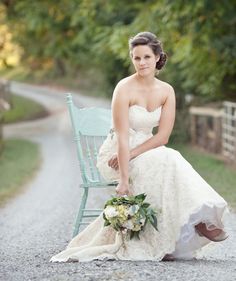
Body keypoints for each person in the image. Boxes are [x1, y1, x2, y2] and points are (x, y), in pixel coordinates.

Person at [50, 31, 231, 263]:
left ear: (157, 57)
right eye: (136, 58)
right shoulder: (123, 89)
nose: (141, 63)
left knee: (170, 157)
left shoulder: (166, 91)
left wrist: (137, 152)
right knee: (167, 159)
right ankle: (195, 222)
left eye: (146, 57)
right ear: (132, 59)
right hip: (117, 152)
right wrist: (124, 179)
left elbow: (163, 136)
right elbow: (122, 138)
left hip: (147, 147)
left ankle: (193, 220)